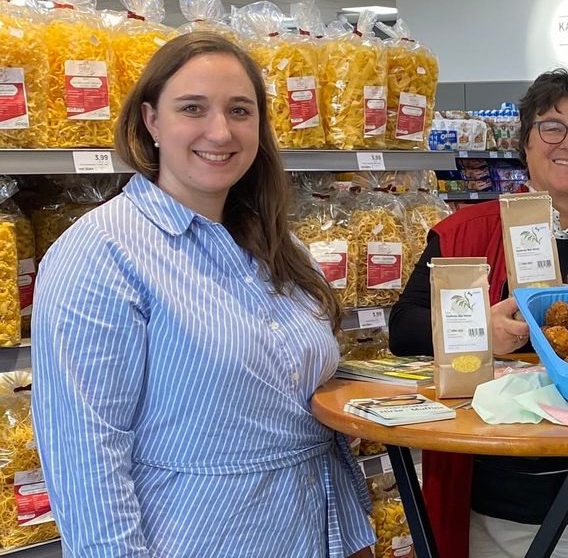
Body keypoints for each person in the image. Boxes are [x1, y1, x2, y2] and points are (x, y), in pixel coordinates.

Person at [31, 33, 375, 557]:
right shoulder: (101, 253)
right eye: (193, 108)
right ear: (151, 121)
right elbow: (85, 455)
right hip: (199, 536)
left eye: (240, 110)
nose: (220, 131)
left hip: (317, 529)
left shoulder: (282, 247)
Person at [388, 69, 568, 558]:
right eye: (551, 126)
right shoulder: (463, 233)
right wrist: (480, 331)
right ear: (524, 141)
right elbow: (404, 329)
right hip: (489, 500)